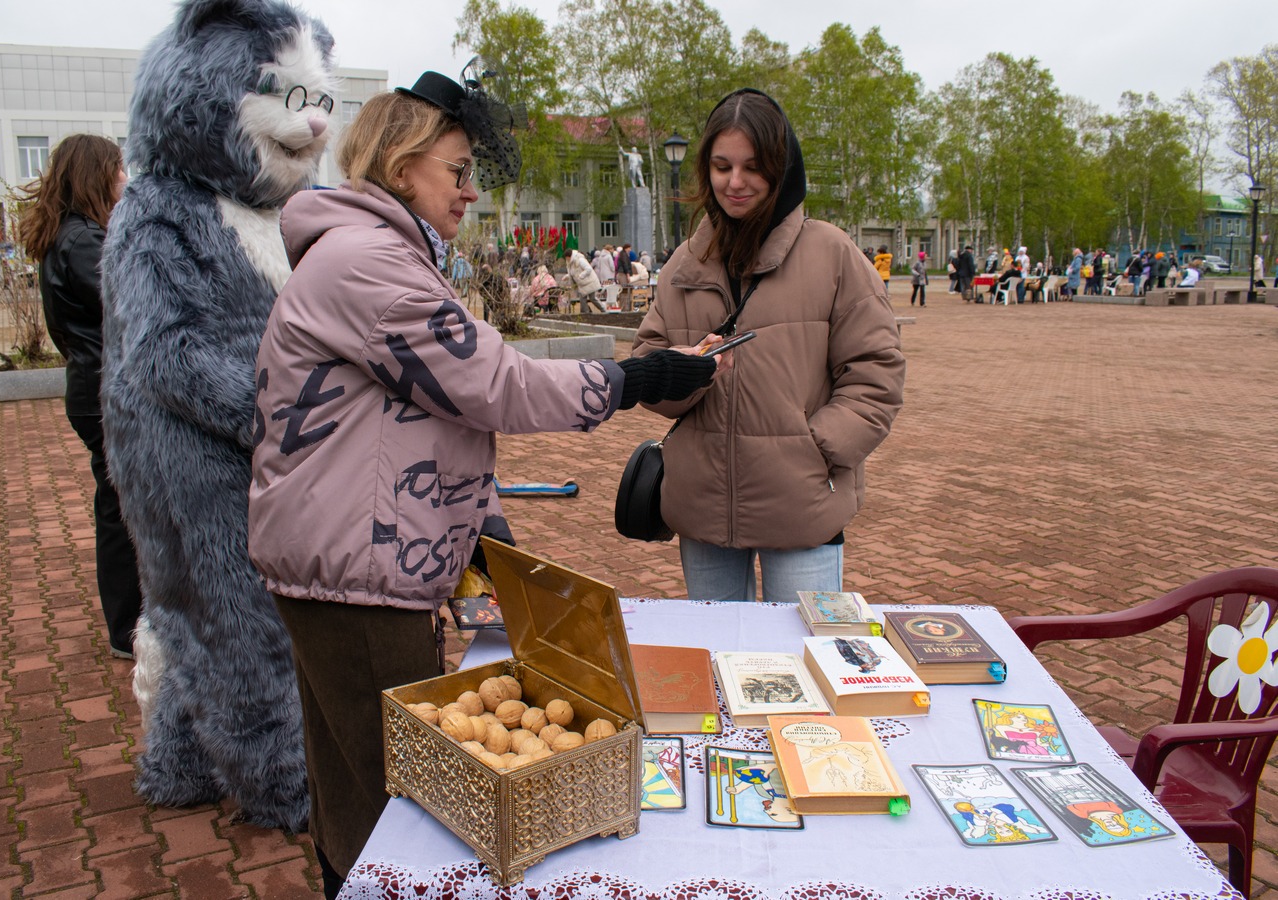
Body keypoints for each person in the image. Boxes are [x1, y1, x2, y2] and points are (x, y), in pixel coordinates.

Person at [247, 71, 715, 897]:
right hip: (359, 575)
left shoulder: (384, 255)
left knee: (352, 780)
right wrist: (639, 378)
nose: (470, 190)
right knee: (387, 805)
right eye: (456, 170)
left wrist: (481, 522)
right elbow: (496, 386)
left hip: (356, 556)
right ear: (401, 168)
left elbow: (435, 413)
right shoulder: (372, 264)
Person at [632, 88, 904, 603]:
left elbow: (877, 371)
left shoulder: (831, 253)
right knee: (719, 659)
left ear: (782, 167)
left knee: (804, 661)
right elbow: (649, 368)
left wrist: (816, 447)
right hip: (704, 510)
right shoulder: (685, 264)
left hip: (802, 508)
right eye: (721, 165)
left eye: (753, 166)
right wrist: (688, 374)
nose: (735, 182)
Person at [16, 133, 142, 659]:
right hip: (101, 390)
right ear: (95, 174)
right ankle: (126, 628)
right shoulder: (83, 241)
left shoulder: (72, 235)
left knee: (118, 504)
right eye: (117, 169)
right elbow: (131, 301)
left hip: (92, 385)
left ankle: (130, 621)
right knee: (119, 508)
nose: (124, 178)